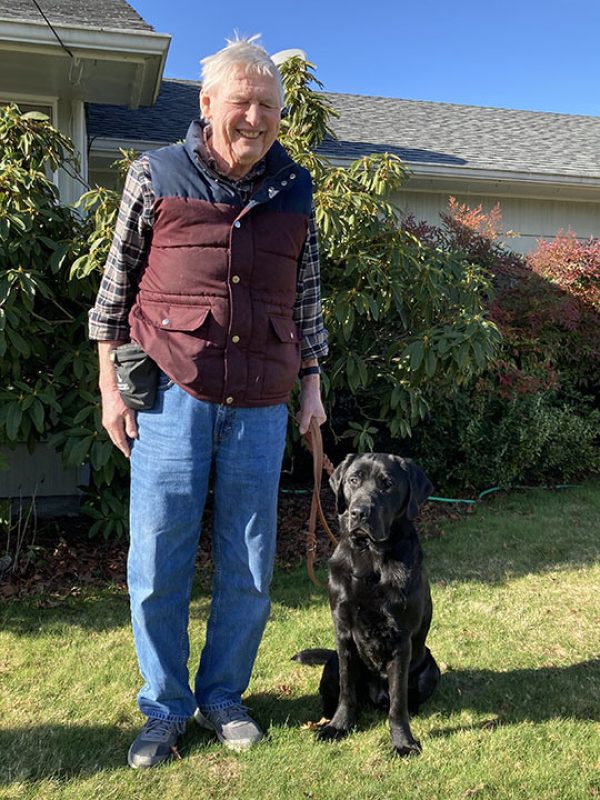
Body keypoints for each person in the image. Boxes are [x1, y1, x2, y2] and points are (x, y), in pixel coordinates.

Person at [88, 35, 328, 768]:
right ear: (207, 104)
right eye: (242, 102)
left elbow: (308, 297)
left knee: (251, 563)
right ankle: (163, 709)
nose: (255, 117)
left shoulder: (296, 187)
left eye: (268, 106)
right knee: (158, 559)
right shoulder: (154, 174)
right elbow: (113, 292)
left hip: (263, 399)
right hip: (171, 393)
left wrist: (313, 384)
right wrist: (108, 386)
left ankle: (224, 694)